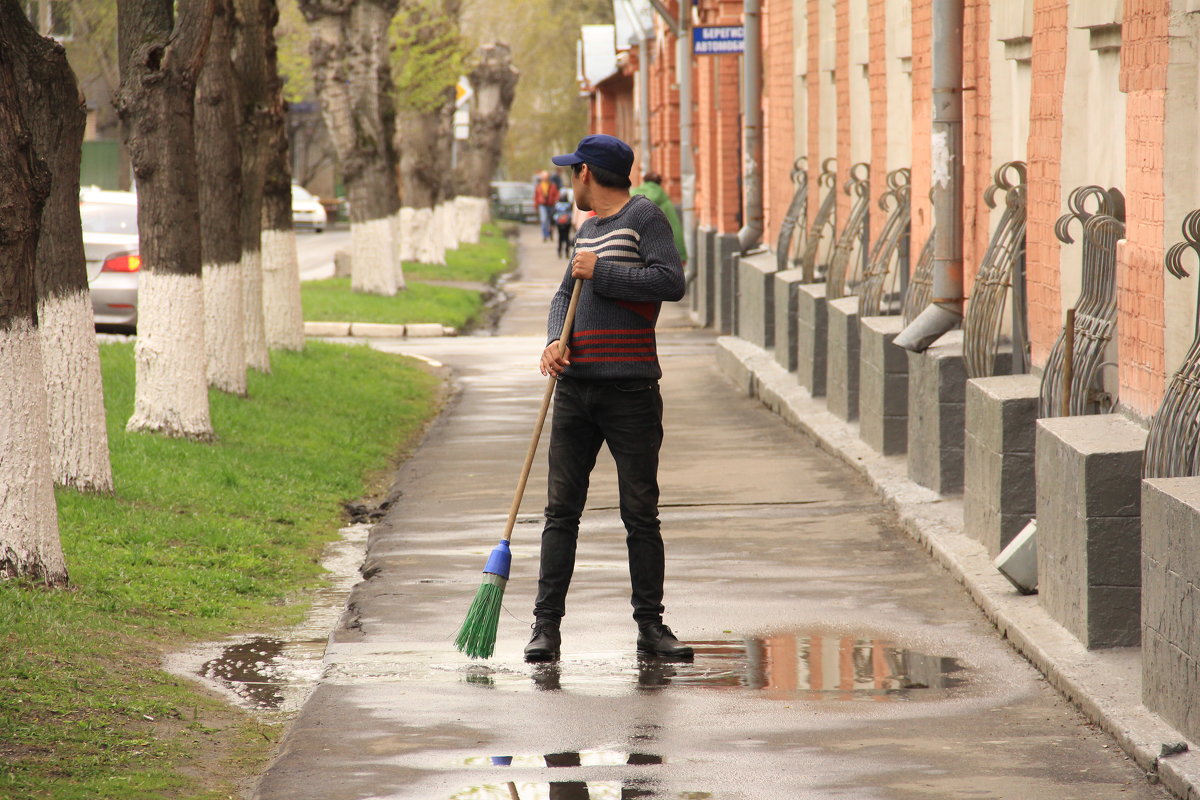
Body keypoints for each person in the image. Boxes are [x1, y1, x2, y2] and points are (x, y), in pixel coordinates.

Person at [524, 133, 691, 664]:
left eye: (573, 170)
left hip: (631, 390)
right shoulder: (588, 229)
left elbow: (670, 281)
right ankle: (545, 627)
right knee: (560, 513)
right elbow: (563, 294)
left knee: (640, 513)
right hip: (575, 390)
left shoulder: (644, 218)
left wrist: (606, 272)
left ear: (587, 174)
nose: (570, 178)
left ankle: (651, 626)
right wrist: (554, 341)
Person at [631, 171, 687, 266]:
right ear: (660, 183)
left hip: (633, 248)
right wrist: (682, 255)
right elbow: (674, 227)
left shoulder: (631, 196)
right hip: (658, 249)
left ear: (643, 181)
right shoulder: (665, 201)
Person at [534, 171, 560, 242]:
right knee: (544, 219)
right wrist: (535, 205)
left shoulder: (552, 185)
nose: (545, 178)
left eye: (546, 177)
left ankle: (550, 233)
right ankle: (545, 235)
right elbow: (536, 196)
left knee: (551, 221)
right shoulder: (539, 186)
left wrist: (555, 200)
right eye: (544, 177)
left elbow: (556, 194)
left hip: (551, 205)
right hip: (542, 205)